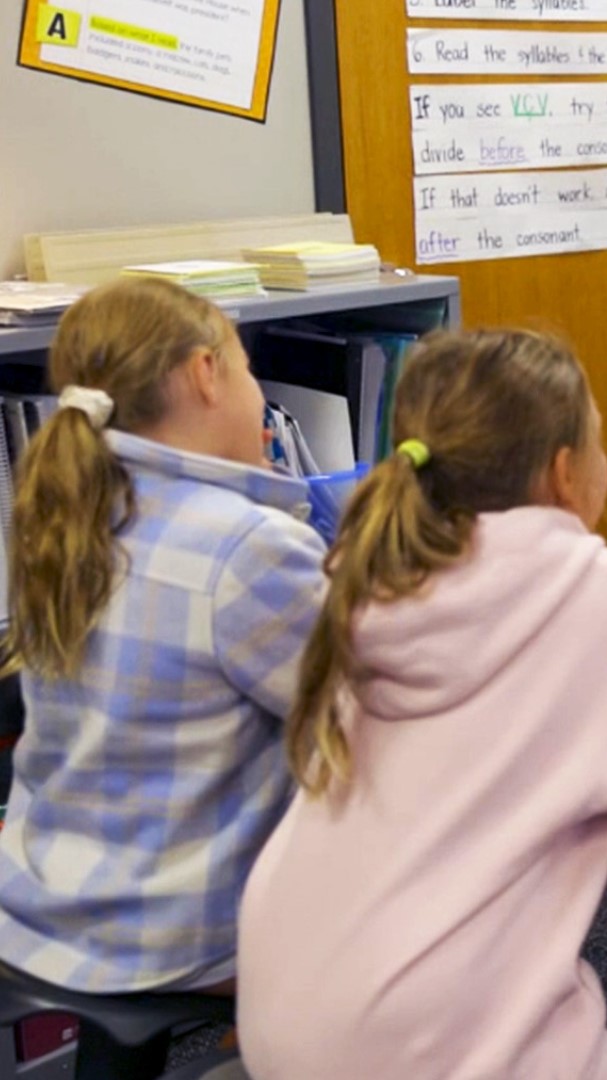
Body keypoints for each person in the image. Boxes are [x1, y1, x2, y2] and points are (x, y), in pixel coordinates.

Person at [237, 330, 607, 1080]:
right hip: (420, 1032)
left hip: (281, 1001)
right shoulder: (599, 593)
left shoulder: (373, 570)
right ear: (563, 474)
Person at [0, 278, 324, 994]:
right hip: (173, 935)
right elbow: (363, 713)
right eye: (244, 365)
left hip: (39, 903)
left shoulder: (72, 512)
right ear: (207, 374)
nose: (256, 393)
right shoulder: (247, 544)